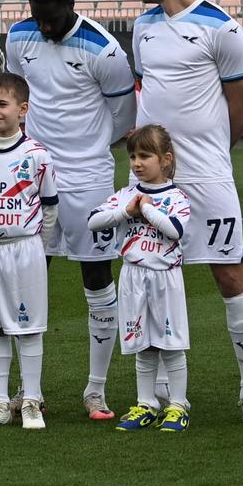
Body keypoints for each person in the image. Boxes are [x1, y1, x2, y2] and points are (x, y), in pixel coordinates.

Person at [130, 0, 243, 420]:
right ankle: (162, 388)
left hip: (207, 177)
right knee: (150, 275)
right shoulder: (143, 25)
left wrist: (210, 155)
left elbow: (242, 106)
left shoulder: (220, 27)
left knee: (231, 274)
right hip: (150, 181)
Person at [6, 0, 136, 419]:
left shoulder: (104, 49)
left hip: (89, 180)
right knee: (28, 281)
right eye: (36, 14)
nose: (44, 24)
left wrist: (89, 148)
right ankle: (28, 389)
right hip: (34, 178)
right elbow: (17, 94)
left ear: (71, 4)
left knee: (97, 282)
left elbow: (123, 117)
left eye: (52, 16)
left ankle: (96, 390)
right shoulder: (19, 37)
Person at [0, 74, 57, 430]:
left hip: (25, 249)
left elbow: (50, 210)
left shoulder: (37, 156)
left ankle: (31, 400)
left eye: (3, 104)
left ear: (23, 109)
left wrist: (34, 245)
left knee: (29, 327)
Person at [89, 125, 193, 432]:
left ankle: (178, 405)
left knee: (171, 344)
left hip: (165, 277)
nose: (137, 163)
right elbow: (93, 220)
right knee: (142, 345)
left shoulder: (176, 197)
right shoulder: (126, 196)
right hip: (133, 276)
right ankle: (146, 403)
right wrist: (126, 212)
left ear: (165, 159)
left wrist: (146, 211)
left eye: (145, 155)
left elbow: (175, 230)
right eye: (133, 156)